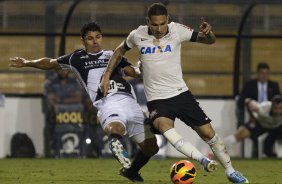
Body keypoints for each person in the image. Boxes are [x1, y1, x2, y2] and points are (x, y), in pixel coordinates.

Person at [100, 2, 249, 183]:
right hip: (157, 100)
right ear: (148, 22)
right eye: (154, 24)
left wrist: (208, 33)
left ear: (167, 20)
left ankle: (231, 171)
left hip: (181, 94)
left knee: (209, 133)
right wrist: (107, 75)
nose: (159, 28)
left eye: (162, 23)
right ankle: (202, 159)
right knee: (164, 127)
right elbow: (119, 50)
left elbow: (209, 41)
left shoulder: (177, 30)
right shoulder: (137, 34)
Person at [9, 21, 159, 182]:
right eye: (90, 38)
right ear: (83, 40)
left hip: (131, 102)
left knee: (151, 148)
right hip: (107, 101)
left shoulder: (113, 55)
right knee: (116, 127)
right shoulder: (77, 58)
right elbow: (50, 62)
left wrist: (141, 69)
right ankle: (115, 142)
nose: (95, 41)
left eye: (98, 37)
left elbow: (134, 73)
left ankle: (131, 171)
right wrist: (27, 63)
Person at [237, 62, 281, 157]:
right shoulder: (250, 85)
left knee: (277, 128)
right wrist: (250, 110)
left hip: (271, 118)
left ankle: (266, 150)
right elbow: (241, 101)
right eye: (262, 73)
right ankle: (258, 150)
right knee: (249, 130)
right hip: (254, 117)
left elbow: (278, 102)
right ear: (257, 73)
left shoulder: (274, 85)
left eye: (266, 73)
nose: (264, 75)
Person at [44, 69, 83, 157]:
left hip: (74, 114)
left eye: (65, 70)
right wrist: (70, 98)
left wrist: (60, 100)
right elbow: (51, 99)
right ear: (57, 71)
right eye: (60, 70)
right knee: (51, 132)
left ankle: (79, 152)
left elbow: (78, 98)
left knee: (79, 130)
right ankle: (54, 152)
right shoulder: (50, 82)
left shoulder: (74, 82)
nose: (63, 72)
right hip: (55, 115)